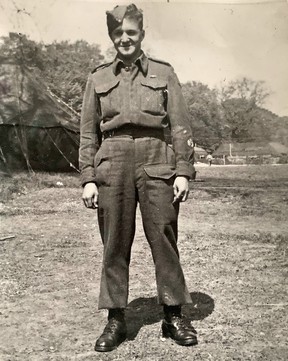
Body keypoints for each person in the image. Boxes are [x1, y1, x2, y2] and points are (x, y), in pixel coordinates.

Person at [79, 3, 197, 352]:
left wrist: (184, 171)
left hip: (157, 160)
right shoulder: (98, 77)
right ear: (111, 37)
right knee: (114, 241)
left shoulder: (164, 73)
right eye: (118, 33)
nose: (125, 39)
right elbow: (88, 133)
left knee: (163, 237)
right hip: (112, 162)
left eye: (131, 32)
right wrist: (87, 177)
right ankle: (116, 318)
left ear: (141, 34)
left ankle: (173, 315)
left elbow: (180, 125)